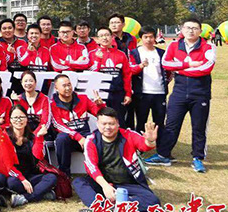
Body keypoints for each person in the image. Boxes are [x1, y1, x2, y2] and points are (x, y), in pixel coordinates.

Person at [146, 18, 216, 172]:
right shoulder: (174, 45)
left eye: (195, 28)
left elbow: (206, 67)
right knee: (171, 124)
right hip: (179, 91)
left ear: (200, 31)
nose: (191, 31)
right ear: (182, 29)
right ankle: (163, 155)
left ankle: (197, 158)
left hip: (200, 93)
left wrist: (179, 68)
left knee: (199, 127)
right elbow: (166, 64)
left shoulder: (209, 46)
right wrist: (188, 64)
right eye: (188, 27)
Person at [74, 108, 160, 212]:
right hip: (104, 183)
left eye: (111, 124)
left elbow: (144, 145)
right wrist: (105, 186)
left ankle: (111, 210)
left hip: (128, 184)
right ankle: (100, 208)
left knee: (153, 201)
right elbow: (91, 167)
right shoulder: (91, 141)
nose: (107, 127)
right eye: (104, 124)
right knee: (79, 182)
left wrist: (150, 141)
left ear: (118, 123)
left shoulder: (128, 135)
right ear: (97, 124)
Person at [50, 74, 105, 175]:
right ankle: (64, 175)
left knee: (98, 137)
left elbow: (101, 115)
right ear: (56, 88)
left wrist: (100, 105)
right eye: (64, 86)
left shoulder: (83, 98)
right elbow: (58, 126)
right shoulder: (52, 104)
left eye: (69, 85)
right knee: (61, 138)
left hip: (85, 135)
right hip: (68, 139)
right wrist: (78, 137)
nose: (68, 88)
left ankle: (101, 173)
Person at [5, 106, 56, 207]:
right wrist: (22, 179)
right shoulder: (5, 137)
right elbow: (7, 165)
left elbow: (38, 156)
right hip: (15, 176)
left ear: (26, 119)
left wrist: (40, 137)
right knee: (12, 182)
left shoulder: (32, 137)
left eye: (21, 117)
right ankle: (41, 193)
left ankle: (25, 198)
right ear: (10, 119)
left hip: (31, 175)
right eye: (15, 117)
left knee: (51, 178)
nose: (18, 120)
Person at [89, 27, 133, 127]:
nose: (104, 38)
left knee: (119, 120)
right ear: (97, 39)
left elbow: (127, 75)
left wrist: (128, 94)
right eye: (101, 36)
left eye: (107, 35)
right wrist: (98, 60)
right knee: (102, 120)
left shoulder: (121, 54)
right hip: (101, 94)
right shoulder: (92, 54)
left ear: (112, 37)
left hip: (118, 93)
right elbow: (91, 75)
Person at [129, 26, 170, 135]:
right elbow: (130, 70)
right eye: (145, 37)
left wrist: (166, 81)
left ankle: (160, 144)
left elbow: (168, 71)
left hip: (159, 92)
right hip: (142, 93)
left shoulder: (161, 53)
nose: (148, 39)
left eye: (151, 37)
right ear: (141, 38)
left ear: (155, 38)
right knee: (141, 122)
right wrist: (141, 66)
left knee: (159, 122)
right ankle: (140, 144)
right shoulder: (134, 53)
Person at [9, 70, 50, 140]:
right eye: (25, 81)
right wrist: (14, 102)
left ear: (35, 82)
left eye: (31, 81)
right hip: (23, 134)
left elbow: (45, 121)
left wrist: (34, 135)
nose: (28, 83)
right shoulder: (18, 99)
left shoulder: (44, 99)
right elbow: (17, 120)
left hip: (40, 133)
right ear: (21, 83)